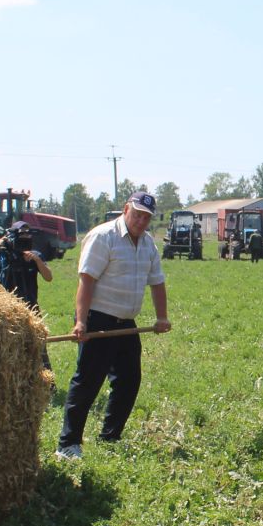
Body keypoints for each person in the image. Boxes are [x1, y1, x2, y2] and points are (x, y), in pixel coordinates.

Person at [56, 190, 170, 460]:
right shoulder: (103, 236)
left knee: (129, 380)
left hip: (126, 323)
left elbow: (157, 282)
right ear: (126, 209)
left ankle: (110, 437)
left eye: (147, 218)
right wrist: (81, 321)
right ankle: (67, 444)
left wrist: (161, 316)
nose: (142, 222)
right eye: (138, 215)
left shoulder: (148, 244)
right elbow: (87, 280)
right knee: (88, 381)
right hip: (98, 318)